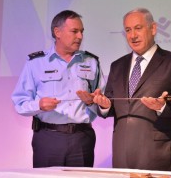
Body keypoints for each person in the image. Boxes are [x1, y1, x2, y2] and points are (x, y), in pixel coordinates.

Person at [92, 8, 171, 171]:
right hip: (122, 156)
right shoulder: (117, 66)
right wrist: (104, 105)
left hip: (159, 157)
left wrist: (161, 107)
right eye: (128, 30)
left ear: (153, 29)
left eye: (138, 28)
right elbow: (112, 105)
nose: (133, 35)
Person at [11, 10, 105, 167]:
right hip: (48, 138)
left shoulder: (91, 62)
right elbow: (20, 102)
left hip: (82, 139)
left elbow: (103, 103)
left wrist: (94, 102)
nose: (80, 36)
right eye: (74, 31)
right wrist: (39, 105)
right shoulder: (36, 63)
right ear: (57, 32)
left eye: (82, 31)